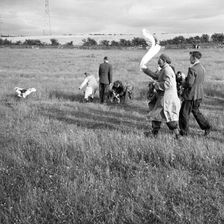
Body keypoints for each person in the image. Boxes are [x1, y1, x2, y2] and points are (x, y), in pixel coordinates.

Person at [142, 54, 181, 138]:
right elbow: (157, 76)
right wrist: (145, 69)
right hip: (163, 97)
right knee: (157, 115)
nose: (158, 61)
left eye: (160, 59)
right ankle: (154, 133)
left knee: (168, 116)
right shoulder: (164, 69)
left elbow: (168, 84)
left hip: (167, 98)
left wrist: (156, 84)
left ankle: (177, 134)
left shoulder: (167, 70)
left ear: (164, 60)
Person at [179, 51, 211, 136]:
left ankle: (184, 132)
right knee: (196, 112)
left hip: (191, 95)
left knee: (184, 114)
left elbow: (189, 83)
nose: (189, 59)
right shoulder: (202, 67)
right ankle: (207, 127)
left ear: (194, 58)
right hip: (199, 94)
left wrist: (182, 82)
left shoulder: (192, 68)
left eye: (190, 57)